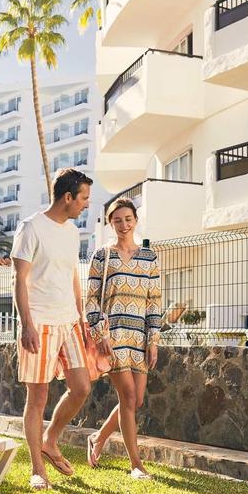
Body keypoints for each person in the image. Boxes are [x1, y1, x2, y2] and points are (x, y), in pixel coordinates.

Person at [11, 168, 93, 490]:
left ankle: (50, 439)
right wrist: (26, 325)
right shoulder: (31, 227)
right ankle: (37, 468)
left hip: (68, 321)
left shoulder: (72, 232)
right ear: (68, 197)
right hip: (40, 322)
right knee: (38, 397)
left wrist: (81, 318)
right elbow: (19, 279)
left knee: (81, 387)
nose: (86, 204)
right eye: (83, 198)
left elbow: (73, 276)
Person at [85, 198, 161, 479]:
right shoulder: (102, 256)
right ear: (110, 223)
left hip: (139, 338)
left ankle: (98, 438)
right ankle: (136, 465)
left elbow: (154, 302)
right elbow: (91, 300)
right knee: (127, 396)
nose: (124, 224)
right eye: (117, 220)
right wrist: (100, 334)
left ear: (135, 220)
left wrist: (153, 341)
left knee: (136, 401)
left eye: (128, 219)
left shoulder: (149, 257)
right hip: (113, 337)